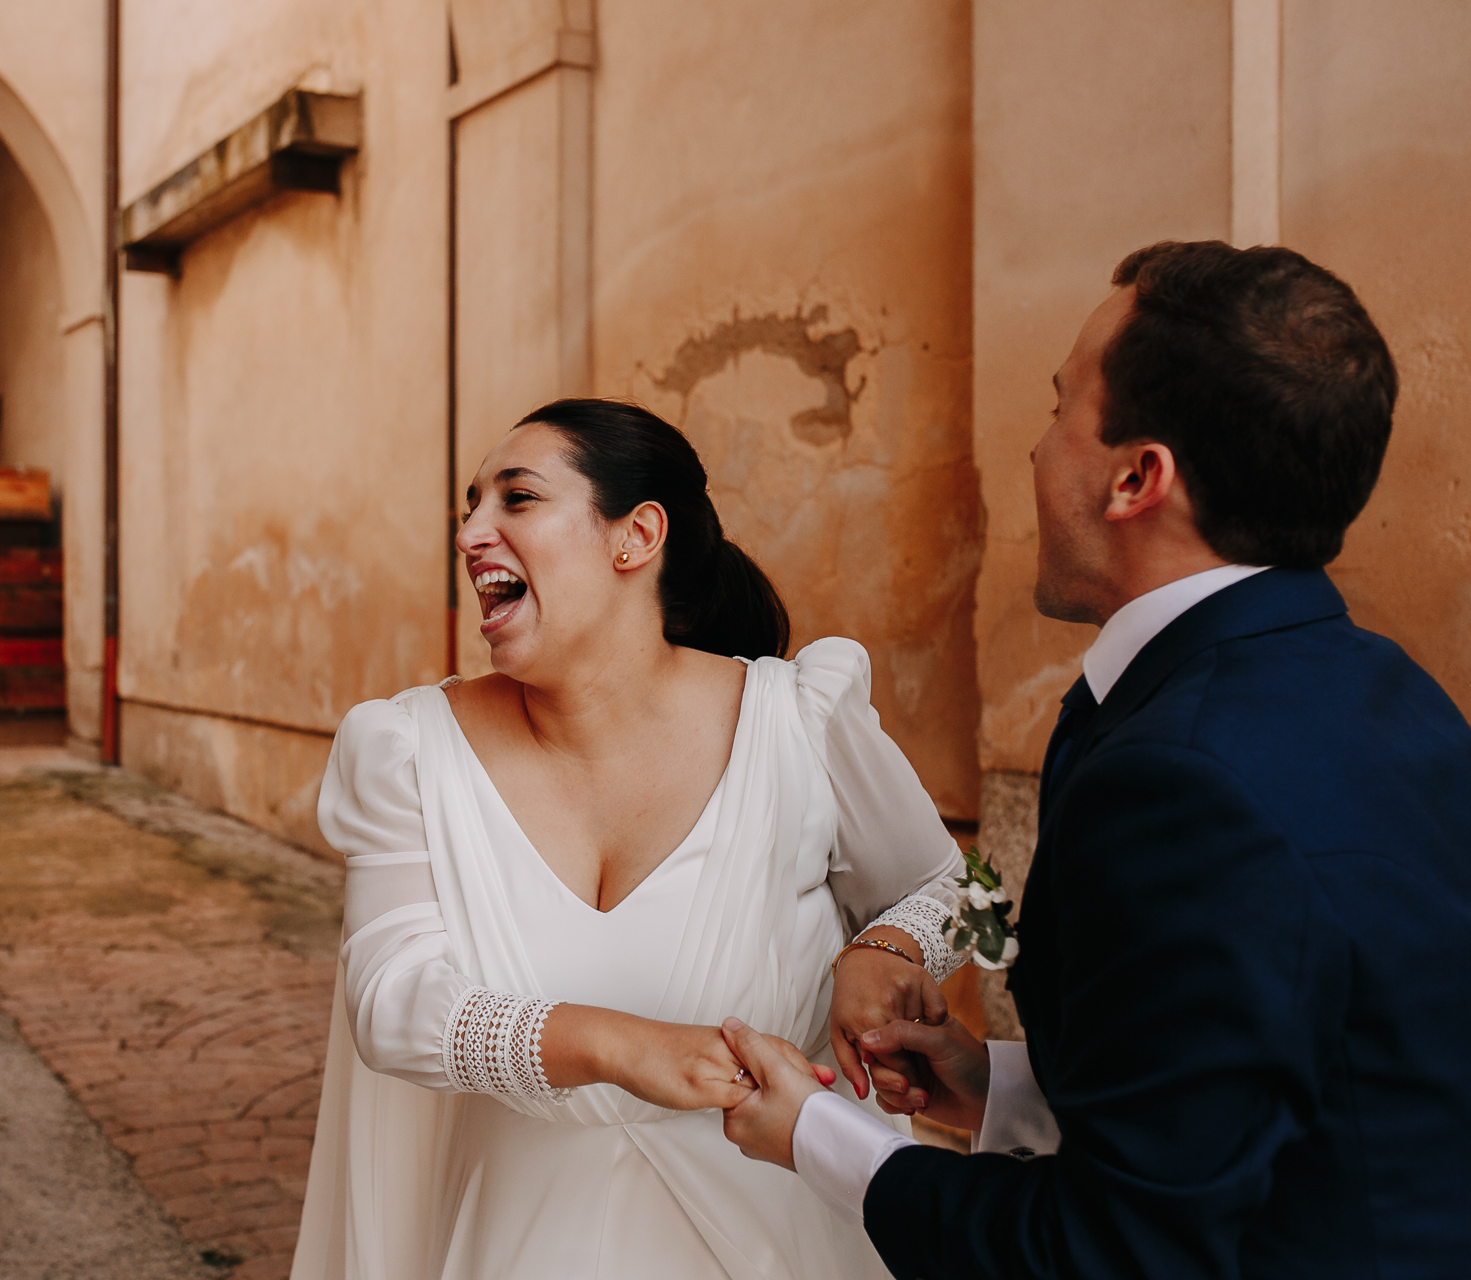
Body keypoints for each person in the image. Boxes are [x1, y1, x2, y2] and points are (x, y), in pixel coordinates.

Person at [721, 240, 1471, 1278]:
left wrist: (817, 1134)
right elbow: (1301, 1072)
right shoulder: (1387, 688)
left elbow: (1114, 1250)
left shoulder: (1186, 778)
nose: (1034, 453)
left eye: (1059, 405)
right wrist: (1005, 1088)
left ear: (1135, 476)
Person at [290, 398, 974, 1280]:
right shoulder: (408, 751)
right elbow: (391, 1002)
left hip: (786, 1238)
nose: (470, 534)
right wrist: (620, 1045)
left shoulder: (798, 719)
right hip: (520, 1240)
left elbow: (949, 888)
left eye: (517, 499)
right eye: (469, 507)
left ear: (636, 536)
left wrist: (882, 948)